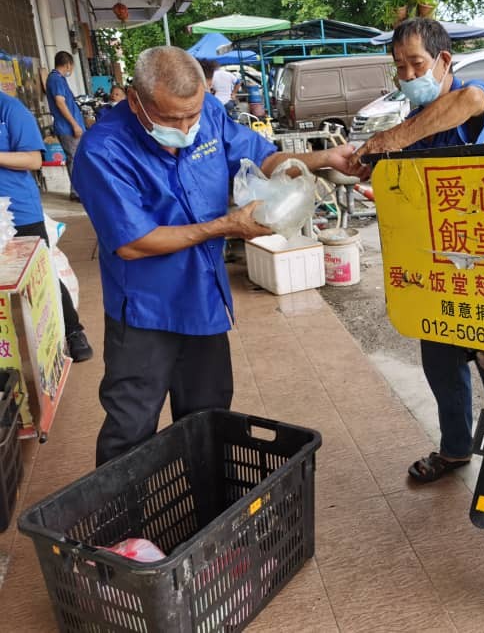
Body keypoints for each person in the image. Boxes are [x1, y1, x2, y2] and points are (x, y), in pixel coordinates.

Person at [73, 46, 367, 466]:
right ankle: (123, 526)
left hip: (202, 298)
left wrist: (321, 159)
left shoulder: (207, 112)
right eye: (173, 118)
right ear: (135, 100)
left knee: (209, 415)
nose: (188, 126)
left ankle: (208, 514)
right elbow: (132, 242)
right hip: (144, 310)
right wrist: (226, 226)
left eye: (193, 114)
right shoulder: (103, 151)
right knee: (131, 425)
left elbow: (262, 158)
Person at [352, 18, 484, 483]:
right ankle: (456, 449)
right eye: (400, 68)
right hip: (438, 264)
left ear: (443, 60)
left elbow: (467, 103)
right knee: (440, 358)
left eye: (417, 64)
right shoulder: (415, 124)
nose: (409, 76)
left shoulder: (469, 99)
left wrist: (387, 140)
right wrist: (376, 178)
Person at [0, 90, 93, 362]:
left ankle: (73, 331)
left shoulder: (10, 111)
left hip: (18, 211)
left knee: (41, 273)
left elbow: (33, 160)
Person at [45, 51, 86, 202]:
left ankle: (80, 190)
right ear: (68, 64)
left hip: (69, 126)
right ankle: (77, 192)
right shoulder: (55, 79)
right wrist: (75, 124)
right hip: (67, 128)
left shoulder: (59, 79)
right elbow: (60, 103)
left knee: (78, 158)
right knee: (74, 159)